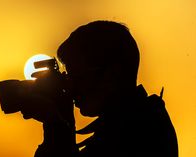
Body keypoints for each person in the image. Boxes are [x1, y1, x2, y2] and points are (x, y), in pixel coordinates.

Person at [22, 20, 178, 157]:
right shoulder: (134, 120)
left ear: (112, 74)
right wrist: (64, 119)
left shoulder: (139, 131)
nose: (70, 87)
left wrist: (55, 125)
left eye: (76, 76)